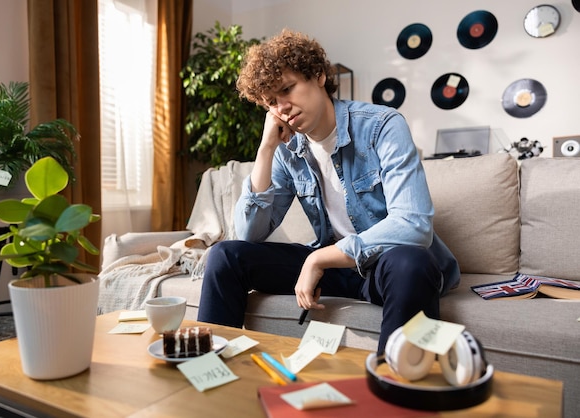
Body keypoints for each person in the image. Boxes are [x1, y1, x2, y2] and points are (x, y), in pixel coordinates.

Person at [197, 29, 460, 354]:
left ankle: (394, 382)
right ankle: (206, 368)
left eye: (287, 89)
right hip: (336, 268)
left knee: (412, 263)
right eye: (271, 103)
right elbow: (248, 234)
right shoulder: (287, 149)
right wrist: (265, 150)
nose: (283, 108)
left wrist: (319, 259)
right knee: (225, 256)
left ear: (318, 75)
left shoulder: (382, 126)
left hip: (381, 265)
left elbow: (414, 226)